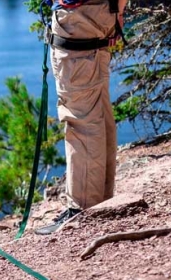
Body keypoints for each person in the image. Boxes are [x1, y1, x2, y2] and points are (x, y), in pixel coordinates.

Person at [36, 0, 127, 235]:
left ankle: (84, 210)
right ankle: (101, 203)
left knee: (81, 119)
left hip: (77, 19)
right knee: (97, 111)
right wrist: (118, 10)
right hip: (100, 14)